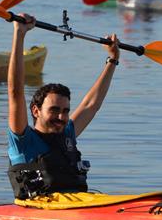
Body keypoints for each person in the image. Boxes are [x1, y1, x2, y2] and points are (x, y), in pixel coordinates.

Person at [7, 13, 120, 200]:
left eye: (65, 111)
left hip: (79, 207)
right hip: (40, 213)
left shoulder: (67, 134)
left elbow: (91, 104)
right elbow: (15, 92)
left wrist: (113, 60)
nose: (61, 117)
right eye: (54, 110)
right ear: (36, 111)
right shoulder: (23, 141)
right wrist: (19, 34)